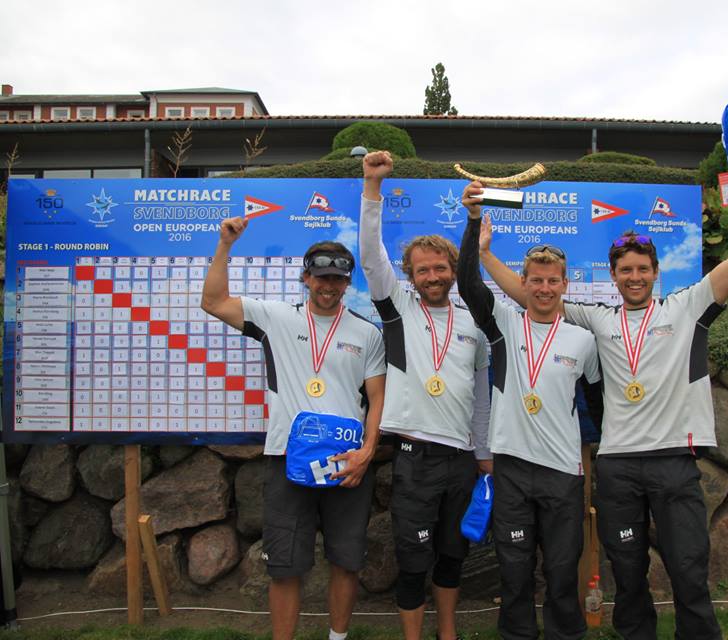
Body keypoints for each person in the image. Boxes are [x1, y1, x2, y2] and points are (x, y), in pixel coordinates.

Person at [475, 154, 728, 639]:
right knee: (629, 574)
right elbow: (532, 294)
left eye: (642, 269)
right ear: (613, 276)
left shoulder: (689, 308)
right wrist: (488, 257)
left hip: (673, 461)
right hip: (617, 467)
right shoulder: (597, 319)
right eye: (625, 271)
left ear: (655, 272)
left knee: (688, 568)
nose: (634, 277)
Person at [201, 219, 386, 640]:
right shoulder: (275, 316)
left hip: (347, 465)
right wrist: (225, 244)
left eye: (338, 279)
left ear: (347, 281)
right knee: (285, 565)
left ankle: (337, 639)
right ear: (306, 277)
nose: (330, 286)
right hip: (288, 461)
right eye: (322, 277)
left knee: (347, 561)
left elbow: (377, 399)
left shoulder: (367, 333)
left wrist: (367, 452)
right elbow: (213, 302)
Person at [457, 182, 601, 640]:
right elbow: (467, 284)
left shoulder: (583, 340)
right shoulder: (502, 324)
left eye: (552, 280)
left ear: (565, 284)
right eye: (535, 280)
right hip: (513, 468)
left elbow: (595, 404)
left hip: (562, 472)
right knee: (515, 571)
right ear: (524, 283)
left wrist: (595, 456)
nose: (543, 287)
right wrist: (474, 223)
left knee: (561, 573)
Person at [358, 150, 492, 640]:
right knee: (413, 560)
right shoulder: (398, 309)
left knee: (453, 555)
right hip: (413, 457)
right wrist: (372, 189)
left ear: (452, 270)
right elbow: (371, 256)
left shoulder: (475, 322)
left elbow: (481, 395)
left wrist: (483, 454)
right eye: (422, 271)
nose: (432, 277)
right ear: (410, 277)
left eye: (440, 268)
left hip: (461, 460)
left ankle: (448, 632)